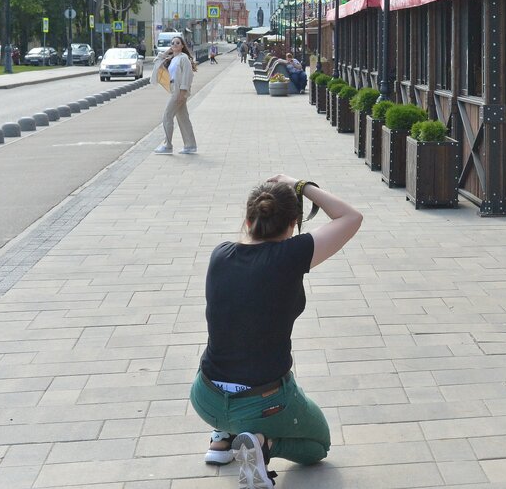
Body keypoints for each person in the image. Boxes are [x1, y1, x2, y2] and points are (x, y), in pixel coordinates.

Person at [190, 176, 363, 487]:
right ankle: (260, 443)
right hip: (264, 402)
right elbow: (351, 217)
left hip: (206, 397)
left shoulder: (220, 254)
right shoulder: (290, 256)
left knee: (234, 340)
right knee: (317, 446)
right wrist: (302, 185)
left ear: (247, 220)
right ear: (294, 223)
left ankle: (222, 438)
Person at [155, 35, 198, 154]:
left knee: (167, 116)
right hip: (174, 88)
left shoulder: (183, 58)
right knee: (183, 118)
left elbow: (187, 76)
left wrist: (183, 93)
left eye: (177, 43)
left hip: (179, 90)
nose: (174, 44)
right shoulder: (174, 58)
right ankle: (190, 145)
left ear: (182, 46)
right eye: (172, 43)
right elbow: (157, 61)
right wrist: (168, 52)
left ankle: (168, 145)